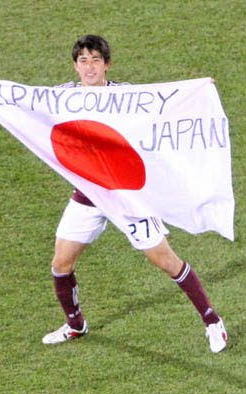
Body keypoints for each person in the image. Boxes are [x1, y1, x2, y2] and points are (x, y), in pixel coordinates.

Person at [42, 34, 227, 353]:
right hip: (88, 195)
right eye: (83, 61)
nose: (89, 67)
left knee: (166, 261)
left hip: (126, 195)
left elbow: (163, 102)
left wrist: (197, 89)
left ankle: (212, 321)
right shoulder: (61, 96)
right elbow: (21, 104)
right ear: (75, 66)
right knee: (61, 263)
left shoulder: (125, 97)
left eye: (95, 60)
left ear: (107, 65)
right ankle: (75, 325)